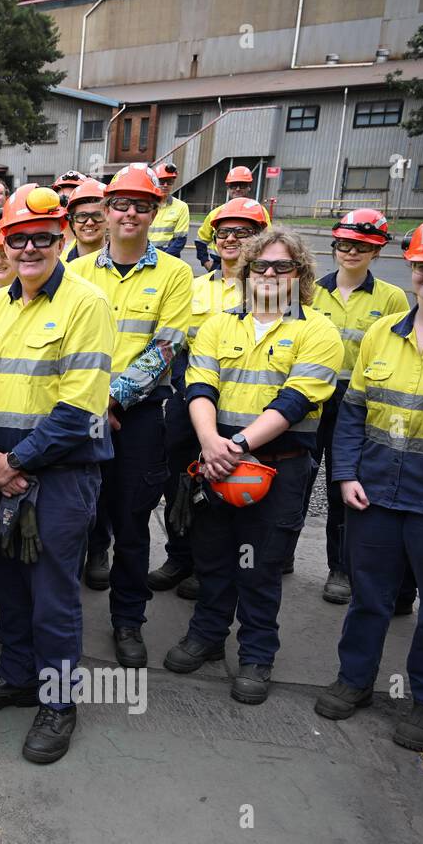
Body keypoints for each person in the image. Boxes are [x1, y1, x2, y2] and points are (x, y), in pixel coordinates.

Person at [0, 184, 114, 764]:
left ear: (62, 238)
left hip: (57, 476)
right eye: (18, 238)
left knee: (53, 593)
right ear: (3, 242)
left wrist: (14, 463)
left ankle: (59, 702)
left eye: (43, 238)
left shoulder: (86, 304)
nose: (30, 248)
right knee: (6, 585)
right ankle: (18, 673)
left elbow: (80, 410)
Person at [166, 228, 341, 704]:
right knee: (213, 555)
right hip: (217, 463)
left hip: (276, 468)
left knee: (260, 565)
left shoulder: (317, 331)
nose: (268, 274)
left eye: (281, 266)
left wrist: (236, 445)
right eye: (259, 266)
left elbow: (297, 398)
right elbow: (199, 387)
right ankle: (205, 636)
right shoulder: (220, 325)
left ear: (300, 274)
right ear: (245, 273)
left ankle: (257, 655)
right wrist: (209, 443)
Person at [315, 214, 423, 751]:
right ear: (410, 267)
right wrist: (344, 473)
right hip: (374, 494)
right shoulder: (381, 333)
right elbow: (352, 413)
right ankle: (355, 680)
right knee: (368, 597)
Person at [69, 163, 192, 668]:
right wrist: (90, 403)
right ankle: (61, 622)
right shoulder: (74, 272)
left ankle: (127, 621)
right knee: (71, 519)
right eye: (120, 203)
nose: (129, 214)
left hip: (138, 417)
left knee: (132, 522)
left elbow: (166, 348)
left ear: (154, 212)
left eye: (141, 205)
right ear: (105, 209)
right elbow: (64, 348)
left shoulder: (176, 274)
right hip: (78, 412)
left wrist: (112, 400)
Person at [148, 197, 268, 600]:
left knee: (226, 482)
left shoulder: (268, 292)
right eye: (224, 232)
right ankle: (179, 555)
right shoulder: (194, 287)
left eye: (243, 233)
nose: (231, 239)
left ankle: (209, 565)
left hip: (240, 401)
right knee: (179, 478)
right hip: (189, 397)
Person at [308, 210, 411, 607]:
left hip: (359, 403)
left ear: (377, 250)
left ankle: (340, 568)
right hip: (313, 396)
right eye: (344, 244)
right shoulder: (313, 291)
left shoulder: (392, 298)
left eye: (362, 247)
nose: (351, 252)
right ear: (334, 246)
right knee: (297, 478)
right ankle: (279, 553)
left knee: (343, 484)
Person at [194, 166, 265, 272]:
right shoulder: (216, 213)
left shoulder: (259, 211)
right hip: (219, 266)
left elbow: (267, 242)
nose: (237, 189)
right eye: (233, 186)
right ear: (228, 188)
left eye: (242, 185)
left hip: (248, 267)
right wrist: (206, 263)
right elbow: (200, 241)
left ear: (249, 187)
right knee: (216, 288)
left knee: (244, 289)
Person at [61, 179, 108, 264]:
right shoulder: (59, 265)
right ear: (72, 223)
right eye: (82, 216)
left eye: (97, 215)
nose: (90, 223)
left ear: (108, 220)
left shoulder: (124, 261)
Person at [149, 163, 190, 258]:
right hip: (145, 255)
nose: (165, 185)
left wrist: (163, 259)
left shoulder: (181, 207)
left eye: (169, 182)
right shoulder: (146, 205)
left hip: (169, 257)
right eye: (162, 181)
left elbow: (180, 240)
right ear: (154, 182)